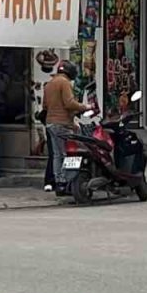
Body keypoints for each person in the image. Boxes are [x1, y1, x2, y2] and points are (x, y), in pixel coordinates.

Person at [43, 60, 88, 193]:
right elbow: (69, 103)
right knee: (67, 153)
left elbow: (45, 105)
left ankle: (59, 183)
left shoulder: (50, 83)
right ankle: (67, 181)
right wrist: (84, 107)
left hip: (50, 123)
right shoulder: (64, 82)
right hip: (62, 124)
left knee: (57, 154)